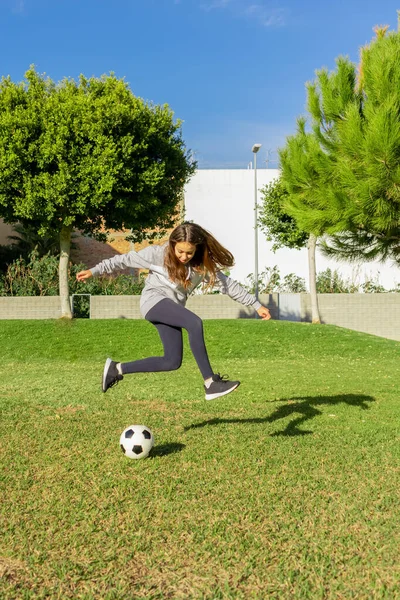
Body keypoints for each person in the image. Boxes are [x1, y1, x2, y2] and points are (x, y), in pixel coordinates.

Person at [76, 222, 271, 399]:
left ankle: (116, 369)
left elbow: (229, 286)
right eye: (180, 251)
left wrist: (256, 305)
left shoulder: (201, 267)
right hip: (153, 301)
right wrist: (94, 271)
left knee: (171, 361)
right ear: (172, 244)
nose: (184, 257)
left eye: (189, 253)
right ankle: (210, 383)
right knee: (194, 323)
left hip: (172, 308)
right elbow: (123, 260)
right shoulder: (157, 254)